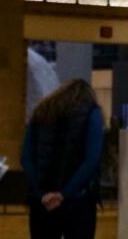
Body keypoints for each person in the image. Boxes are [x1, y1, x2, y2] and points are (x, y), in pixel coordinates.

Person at [19, 78, 105, 239]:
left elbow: (26, 157)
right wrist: (63, 194)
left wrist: (41, 193)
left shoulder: (41, 111)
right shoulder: (92, 113)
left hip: (42, 202)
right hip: (79, 202)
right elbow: (91, 160)